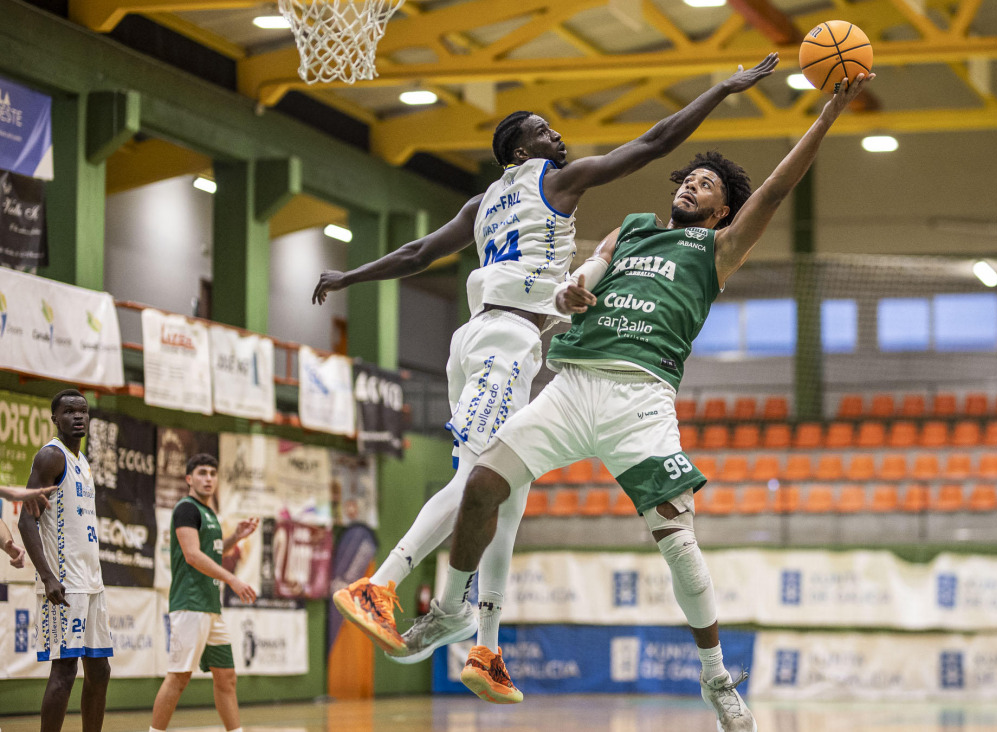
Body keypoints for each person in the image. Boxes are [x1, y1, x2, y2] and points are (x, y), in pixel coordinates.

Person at [314, 54, 779, 700]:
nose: (558, 138)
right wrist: (720, 91)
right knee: (478, 479)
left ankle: (487, 647)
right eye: (546, 131)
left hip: (477, 338)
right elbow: (654, 143)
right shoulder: (559, 182)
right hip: (509, 340)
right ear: (520, 148)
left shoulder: (482, 204)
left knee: (504, 483)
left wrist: (349, 275)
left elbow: (421, 253)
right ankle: (384, 583)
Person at [413, 74, 873, 727]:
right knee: (483, 481)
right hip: (573, 386)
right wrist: (570, 298)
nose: (692, 184)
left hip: (642, 397)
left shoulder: (717, 247)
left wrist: (829, 113)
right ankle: (453, 610)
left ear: (720, 212)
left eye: (707, 186)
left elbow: (774, 190)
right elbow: (577, 290)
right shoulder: (628, 231)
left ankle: (716, 678)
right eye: (689, 177)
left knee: (679, 543)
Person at [17, 389, 112, 732]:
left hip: (91, 582)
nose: (78, 417)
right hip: (63, 582)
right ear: (54, 418)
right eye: (69, 411)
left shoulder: (82, 463)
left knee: (100, 670)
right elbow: (26, 521)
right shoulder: (51, 457)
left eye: (83, 412)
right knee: (65, 672)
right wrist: (47, 576)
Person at [149, 454, 259, 732]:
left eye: (212, 473)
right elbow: (193, 555)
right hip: (190, 605)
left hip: (211, 608)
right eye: (202, 473)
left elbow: (212, 551)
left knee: (226, 677)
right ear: (189, 479)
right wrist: (233, 579)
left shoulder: (209, 514)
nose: (208, 478)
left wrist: (236, 538)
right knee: (178, 678)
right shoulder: (186, 508)